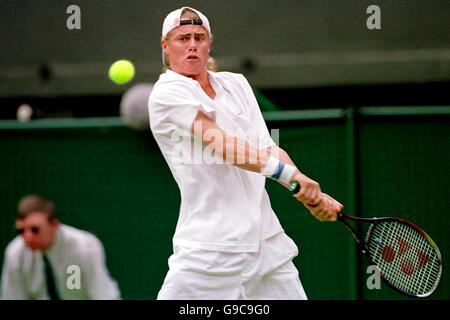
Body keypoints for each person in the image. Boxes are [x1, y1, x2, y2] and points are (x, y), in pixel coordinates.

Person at [148, 7, 343, 300]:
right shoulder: (167, 93)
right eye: (182, 38)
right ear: (165, 46)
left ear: (209, 43)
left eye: (199, 37)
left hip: (268, 248)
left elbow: (268, 148)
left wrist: (306, 189)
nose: (192, 45)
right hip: (208, 255)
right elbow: (223, 145)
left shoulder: (237, 84)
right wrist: (290, 177)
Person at [0, 195, 121, 300]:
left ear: (54, 225)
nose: (27, 237)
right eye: (20, 230)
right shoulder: (15, 253)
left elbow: (103, 295)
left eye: (35, 230)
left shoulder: (85, 247)